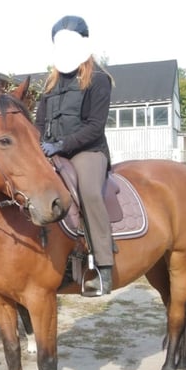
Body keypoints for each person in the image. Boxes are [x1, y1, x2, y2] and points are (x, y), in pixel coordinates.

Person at [35, 15, 114, 297]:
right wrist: (38, 145)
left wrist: (62, 145)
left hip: (87, 151)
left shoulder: (99, 80)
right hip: (50, 151)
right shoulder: (50, 83)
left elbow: (95, 126)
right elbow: (39, 122)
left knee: (89, 192)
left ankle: (104, 266)